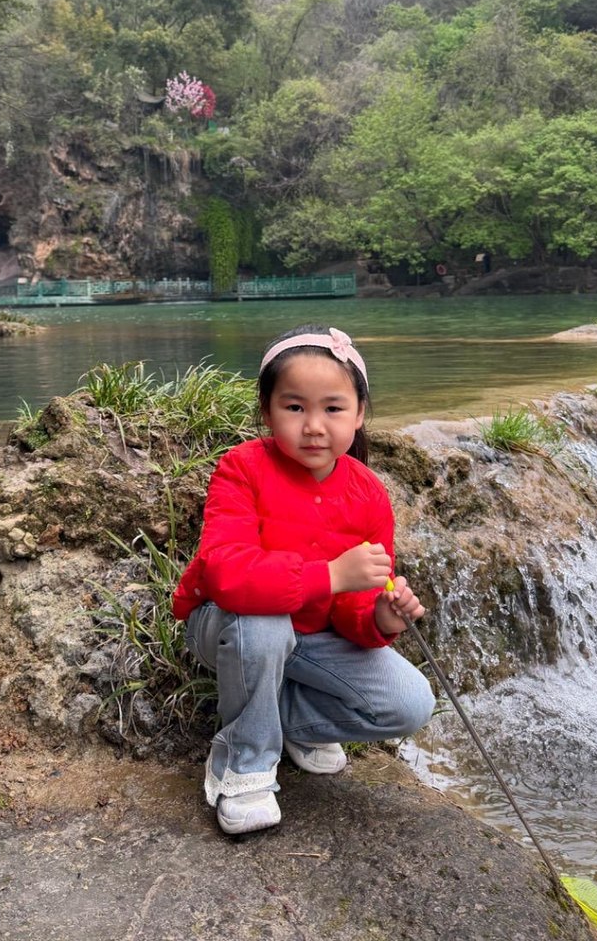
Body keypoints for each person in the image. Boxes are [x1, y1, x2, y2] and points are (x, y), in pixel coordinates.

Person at [172, 323, 435, 836]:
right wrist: (331, 574)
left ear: (359, 414)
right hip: (228, 626)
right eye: (294, 407)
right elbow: (227, 575)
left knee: (410, 703)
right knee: (264, 622)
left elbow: (351, 606)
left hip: (311, 636)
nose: (314, 426)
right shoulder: (242, 468)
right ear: (267, 411)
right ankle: (244, 763)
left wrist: (380, 616)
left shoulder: (368, 493)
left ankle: (285, 722)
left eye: (333, 408)